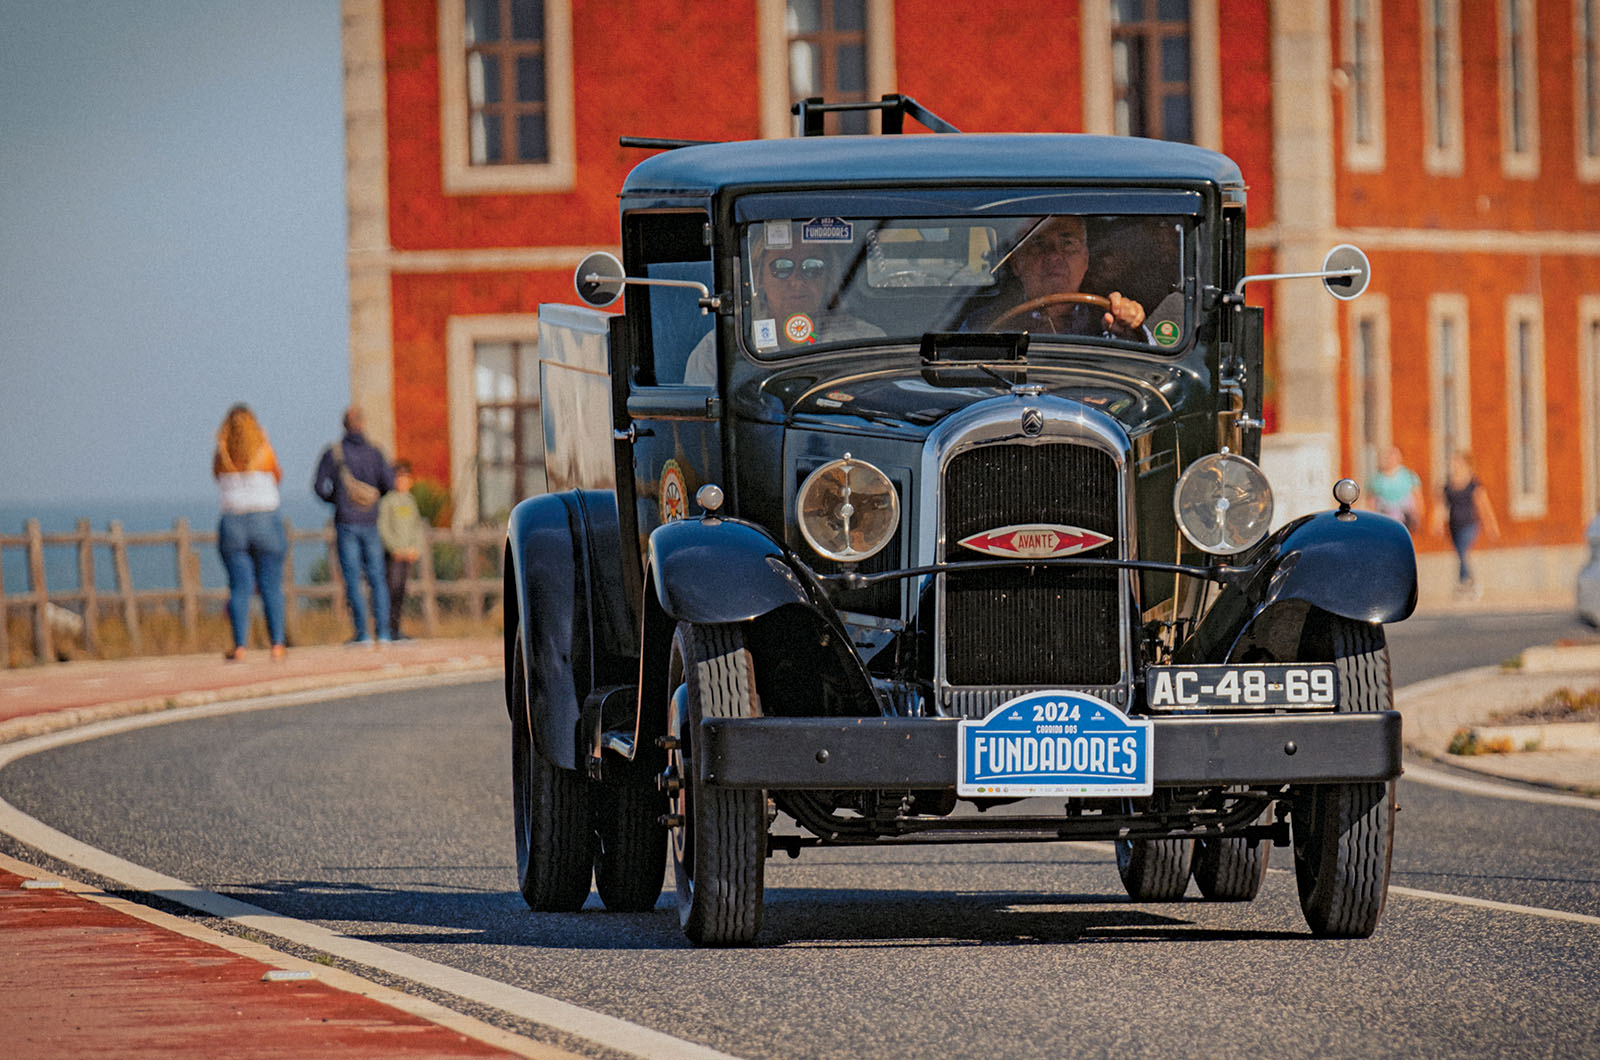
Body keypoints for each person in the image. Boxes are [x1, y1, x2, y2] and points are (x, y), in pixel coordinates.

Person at [683, 224, 883, 384]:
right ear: (759, 276)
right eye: (781, 267)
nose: (797, 282)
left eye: (812, 268)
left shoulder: (866, 343)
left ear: (827, 277)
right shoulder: (719, 351)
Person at [975, 215, 1148, 338]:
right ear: (1016, 263)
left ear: (1085, 260)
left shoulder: (1109, 320)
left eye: (1068, 244)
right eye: (1038, 244)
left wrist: (1131, 325)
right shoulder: (986, 321)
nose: (1054, 255)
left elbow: (1156, 366)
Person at [212, 404, 287, 662]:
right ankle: (277, 644)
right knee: (270, 586)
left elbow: (216, 476)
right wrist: (265, 442)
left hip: (233, 521)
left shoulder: (222, 454)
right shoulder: (264, 451)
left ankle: (240, 645)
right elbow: (277, 475)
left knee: (239, 587)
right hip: (265, 518)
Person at [313, 407, 394, 644]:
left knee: (352, 578)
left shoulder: (334, 453)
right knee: (378, 577)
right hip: (370, 520)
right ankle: (384, 632)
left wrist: (337, 500)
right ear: (363, 423)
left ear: (344, 425)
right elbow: (388, 483)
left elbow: (319, 487)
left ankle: (363, 633)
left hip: (346, 521)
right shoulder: (375, 452)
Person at [1431, 450, 1501, 598]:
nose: (1454, 465)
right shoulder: (1448, 485)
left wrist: (1491, 525)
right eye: (1453, 462)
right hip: (1454, 525)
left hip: (1469, 524)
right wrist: (1437, 523)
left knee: (1462, 552)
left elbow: (1484, 505)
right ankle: (1470, 583)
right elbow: (1441, 506)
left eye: (1457, 462)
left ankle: (1464, 582)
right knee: (1461, 554)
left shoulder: (1473, 484)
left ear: (1466, 464)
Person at [377, 459, 424, 641]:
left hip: (408, 554)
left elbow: (417, 527)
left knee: (402, 593)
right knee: (391, 590)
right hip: (394, 556)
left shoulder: (410, 502)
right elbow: (384, 528)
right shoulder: (388, 501)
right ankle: (387, 628)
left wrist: (415, 548)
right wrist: (395, 548)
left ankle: (396, 629)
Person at [1367, 444, 1423, 533]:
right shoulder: (1377, 479)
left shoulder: (1409, 476)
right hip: (1384, 517)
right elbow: (1371, 500)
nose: (1391, 459)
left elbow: (1417, 496)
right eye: (1389, 455)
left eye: (1394, 455)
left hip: (1405, 517)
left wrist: (1418, 516)